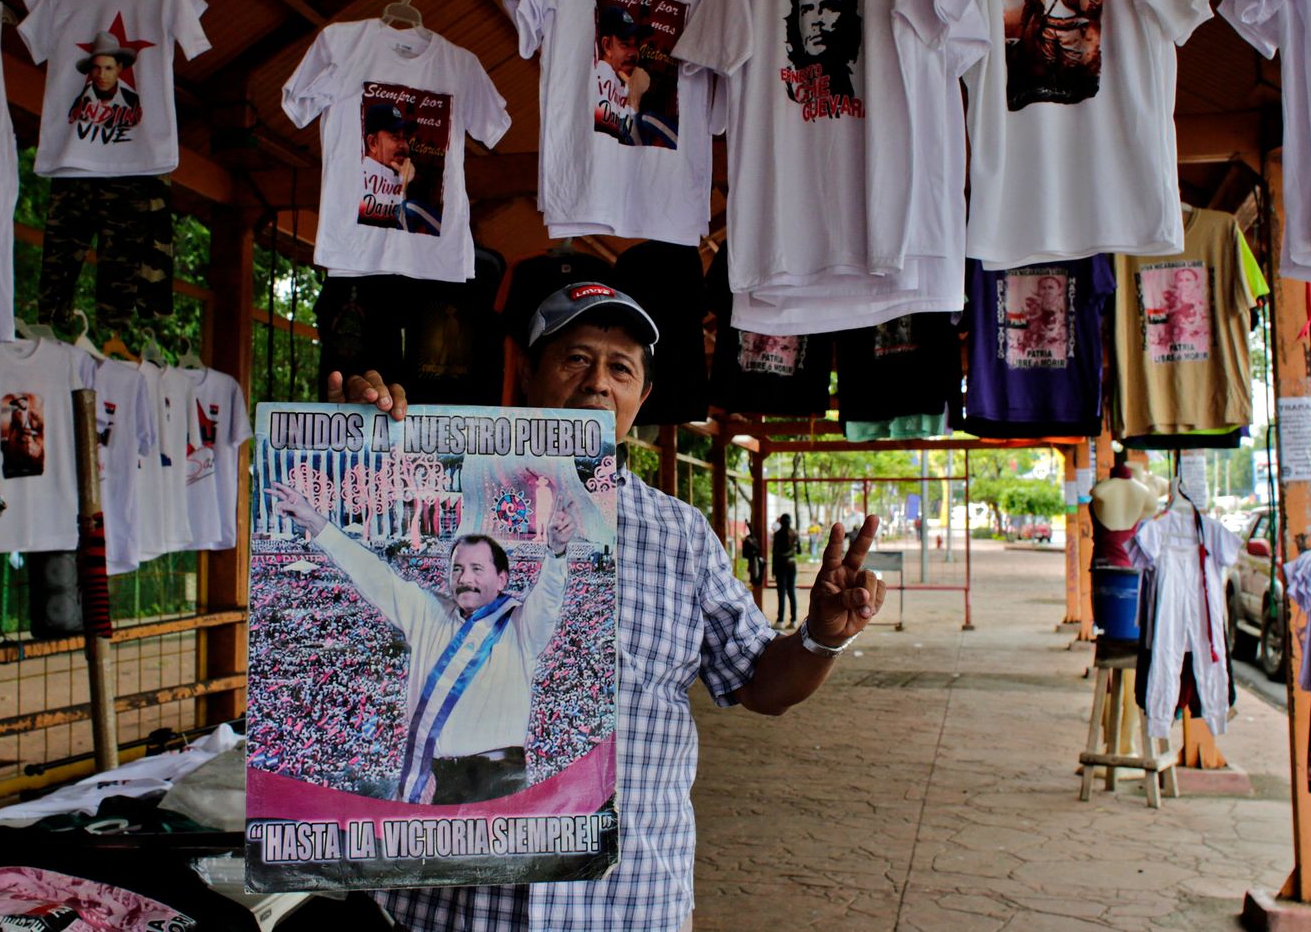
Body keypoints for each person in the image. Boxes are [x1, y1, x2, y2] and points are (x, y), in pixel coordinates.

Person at [328, 280, 885, 930]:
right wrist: (351, 447)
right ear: (526, 372)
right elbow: (347, 624)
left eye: (621, 368)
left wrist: (820, 636)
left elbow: (763, 685)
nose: (598, 382)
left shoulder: (680, 535)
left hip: (628, 904)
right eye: (576, 358)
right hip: (458, 904)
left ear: (641, 399)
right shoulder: (434, 500)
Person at [265, 482, 577, 805]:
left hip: (499, 780)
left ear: (502, 579)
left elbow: (549, 599)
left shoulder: (521, 625)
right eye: (457, 568)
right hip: (435, 780)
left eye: (476, 569)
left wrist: (556, 553)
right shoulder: (429, 614)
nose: (464, 578)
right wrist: (316, 522)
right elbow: (375, 576)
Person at [1009, 0, 1102, 108]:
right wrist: (1019, 35)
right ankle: (1054, 92)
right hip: (1047, 28)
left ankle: (1072, 95)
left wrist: (1087, 17)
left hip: (1070, 27)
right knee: (1049, 61)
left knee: (1071, 61)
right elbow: (1027, 12)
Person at [782, 0, 861, 103]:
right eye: (807, 10)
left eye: (829, 8)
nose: (817, 20)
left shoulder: (857, 76)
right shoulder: (787, 84)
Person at [358, 102, 440, 235]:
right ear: (373, 143)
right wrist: (404, 186)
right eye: (395, 137)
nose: (404, 145)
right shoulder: (360, 179)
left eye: (405, 138)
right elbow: (397, 231)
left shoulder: (399, 176)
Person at [68, 29, 143, 136]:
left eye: (108, 68)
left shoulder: (132, 100)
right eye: (96, 68)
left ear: (119, 68)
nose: (101, 75)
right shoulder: (77, 99)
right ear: (90, 69)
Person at [593, 6, 650, 144]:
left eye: (635, 45)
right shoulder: (601, 74)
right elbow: (625, 140)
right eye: (625, 44)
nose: (633, 53)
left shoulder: (617, 79)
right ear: (607, 45)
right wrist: (635, 96)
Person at [770, 514, 799, 630]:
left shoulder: (777, 535)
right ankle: (794, 620)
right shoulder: (795, 533)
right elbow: (799, 550)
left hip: (781, 565)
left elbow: (774, 554)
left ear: (781, 522)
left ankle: (780, 620)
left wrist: (773, 569)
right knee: (791, 592)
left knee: (781, 593)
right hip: (792, 564)